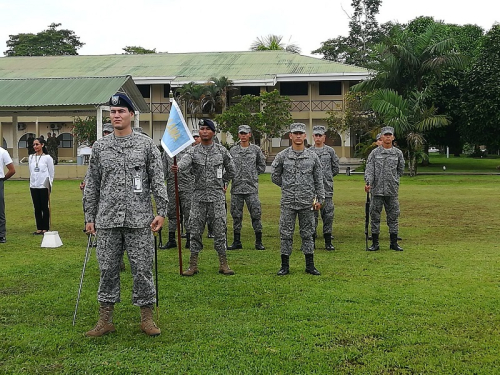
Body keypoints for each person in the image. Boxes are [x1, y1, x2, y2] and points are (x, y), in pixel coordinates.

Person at [83, 93, 168, 337]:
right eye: (113, 112)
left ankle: (147, 318)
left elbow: (157, 181)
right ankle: (105, 319)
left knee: (142, 268)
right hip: (107, 220)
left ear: (131, 114)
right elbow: (92, 184)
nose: (116, 115)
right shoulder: (100, 147)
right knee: (107, 269)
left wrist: (161, 211)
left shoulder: (146, 146)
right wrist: (90, 216)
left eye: (121, 111)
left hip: (139, 219)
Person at [172, 119, 235, 276]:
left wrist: (224, 181)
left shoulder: (222, 151)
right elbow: (184, 163)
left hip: (216, 197)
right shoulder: (193, 151)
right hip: (198, 197)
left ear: (213, 132)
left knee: (220, 230)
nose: (204, 131)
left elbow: (232, 170)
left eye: (207, 129)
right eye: (202, 129)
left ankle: (223, 263)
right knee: (195, 230)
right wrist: (177, 167)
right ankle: (193, 265)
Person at [271, 123, 325, 276]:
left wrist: (320, 199)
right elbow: (274, 176)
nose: (298, 136)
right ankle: (284, 266)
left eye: (301, 133)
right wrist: (287, 186)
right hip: (288, 202)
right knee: (286, 234)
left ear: (305, 136)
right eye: (295, 133)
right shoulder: (282, 156)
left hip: (307, 202)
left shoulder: (312, 156)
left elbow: (318, 180)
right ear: (290, 136)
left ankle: (310, 265)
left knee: (308, 233)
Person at [364, 126, 405, 252]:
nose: (387, 137)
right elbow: (369, 169)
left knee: (393, 216)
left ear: (393, 137)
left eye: (389, 135)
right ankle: (375, 243)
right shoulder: (374, 153)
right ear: (381, 137)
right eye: (385, 135)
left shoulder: (398, 153)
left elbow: (401, 170)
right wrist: (368, 182)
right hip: (376, 190)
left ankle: (393, 242)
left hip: (391, 191)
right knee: (374, 216)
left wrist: (395, 180)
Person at [227, 125, 267, 250]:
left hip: (251, 189)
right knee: (236, 216)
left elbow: (262, 165)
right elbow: (228, 167)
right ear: (238, 135)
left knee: (256, 214)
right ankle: (237, 241)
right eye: (241, 133)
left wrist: (253, 174)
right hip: (237, 188)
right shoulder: (232, 150)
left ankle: (258, 241)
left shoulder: (255, 150)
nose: (243, 136)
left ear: (250, 134)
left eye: (245, 133)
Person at [160, 130, 195, 249]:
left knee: (188, 212)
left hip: (187, 186)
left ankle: (190, 239)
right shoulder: (168, 152)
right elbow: (163, 171)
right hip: (172, 186)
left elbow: (195, 170)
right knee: (172, 213)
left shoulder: (190, 151)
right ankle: (171, 239)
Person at [310, 125, 339, 251]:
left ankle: (328, 241)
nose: (318, 138)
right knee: (312, 216)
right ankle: (311, 241)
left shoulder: (330, 151)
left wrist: (327, 178)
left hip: (327, 189)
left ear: (324, 137)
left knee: (328, 215)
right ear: (313, 137)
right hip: (312, 190)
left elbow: (336, 168)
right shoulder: (309, 152)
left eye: (320, 135)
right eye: (316, 135)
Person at [29, 138, 54, 235]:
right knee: (37, 207)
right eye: (34, 145)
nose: (35, 146)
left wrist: (49, 185)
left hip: (44, 186)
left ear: (42, 145)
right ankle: (39, 227)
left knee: (44, 207)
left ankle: (45, 228)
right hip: (34, 185)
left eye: (37, 144)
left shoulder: (47, 158)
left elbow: (51, 173)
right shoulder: (31, 157)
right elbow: (31, 171)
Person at [0, 146, 15, 243]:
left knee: (0, 209)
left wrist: (3, 179)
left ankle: (1, 235)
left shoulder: (2, 152)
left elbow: (12, 170)